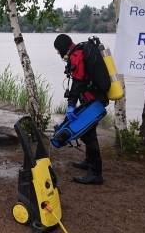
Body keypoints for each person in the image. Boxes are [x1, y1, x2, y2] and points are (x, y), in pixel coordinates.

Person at [53, 34, 108, 185]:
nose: (58, 53)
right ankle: (89, 161)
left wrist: (71, 105)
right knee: (88, 133)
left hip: (93, 100)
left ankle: (96, 174)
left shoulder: (77, 55)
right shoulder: (80, 51)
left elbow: (77, 82)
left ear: (63, 46)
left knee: (89, 135)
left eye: (58, 49)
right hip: (92, 97)